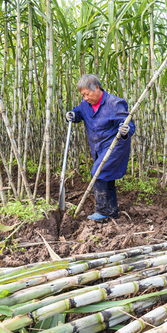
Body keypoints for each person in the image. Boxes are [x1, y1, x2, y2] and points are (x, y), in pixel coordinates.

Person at [66, 74, 135, 222]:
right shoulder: (86, 104)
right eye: (83, 95)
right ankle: (112, 211)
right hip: (98, 148)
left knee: (98, 173)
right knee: (106, 178)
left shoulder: (115, 103)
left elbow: (129, 124)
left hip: (115, 147)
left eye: (87, 94)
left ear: (97, 88)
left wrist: (125, 129)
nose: (85, 98)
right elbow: (78, 112)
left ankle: (102, 211)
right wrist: (72, 115)